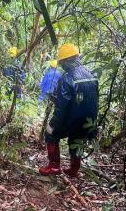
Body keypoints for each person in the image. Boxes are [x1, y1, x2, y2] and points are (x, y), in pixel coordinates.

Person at [39, 43, 98, 178]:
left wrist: (53, 123)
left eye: (61, 63)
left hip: (72, 119)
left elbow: (62, 106)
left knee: (50, 133)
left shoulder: (67, 78)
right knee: (76, 139)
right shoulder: (92, 75)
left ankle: (54, 167)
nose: (61, 66)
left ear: (66, 61)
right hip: (89, 121)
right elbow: (95, 101)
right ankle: (74, 169)